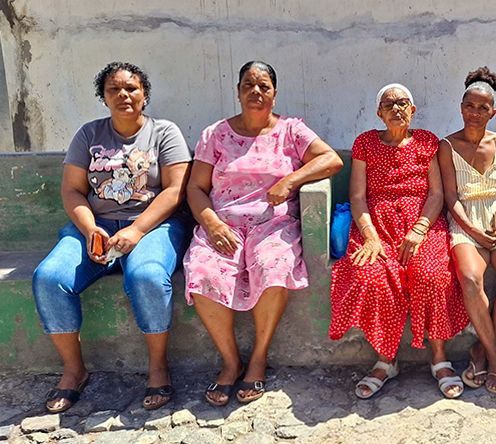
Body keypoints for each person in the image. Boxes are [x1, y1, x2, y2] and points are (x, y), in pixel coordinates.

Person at [32, 61, 193, 412]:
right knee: (49, 277)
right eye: (113, 90)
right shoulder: (89, 135)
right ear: (103, 97)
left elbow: (174, 191)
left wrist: (136, 230)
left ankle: (157, 367)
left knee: (147, 276)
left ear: (145, 94)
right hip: (95, 226)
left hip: (154, 225)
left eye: (131, 88)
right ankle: (74, 371)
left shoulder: (164, 133)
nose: (123, 95)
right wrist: (91, 229)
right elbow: (73, 190)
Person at [183, 61, 343, 406]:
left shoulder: (291, 131)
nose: (256, 92)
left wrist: (291, 179)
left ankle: (258, 358)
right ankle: (230, 362)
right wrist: (211, 223)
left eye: (264, 86)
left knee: (273, 267)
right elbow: (196, 188)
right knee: (203, 271)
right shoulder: (215, 135)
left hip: (273, 225)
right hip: (223, 224)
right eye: (248, 85)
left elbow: (331, 159)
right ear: (238, 91)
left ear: (274, 92)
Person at [329, 83, 469, 399]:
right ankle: (386, 359)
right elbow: (357, 196)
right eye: (389, 104)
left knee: (431, 275)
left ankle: (438, 357)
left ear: (413, 110)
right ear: (379, 113)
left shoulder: (426, 142)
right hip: (376, 226)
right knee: (374, 277)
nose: (396, 109)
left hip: (422, 223)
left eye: (403, 103)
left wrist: (420, 228)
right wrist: (370, 237)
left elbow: (436, 193)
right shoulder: (365, 143)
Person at [438, 67, 496, 396]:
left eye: (482, 107)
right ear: (461, 107)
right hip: (464, 222)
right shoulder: (447, 146)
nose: (475, 113)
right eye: (469, 106)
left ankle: (479, 350)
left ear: (493, 111)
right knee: (472, 279)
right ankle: (495, 358)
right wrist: (473, 229)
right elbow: (449, 198)